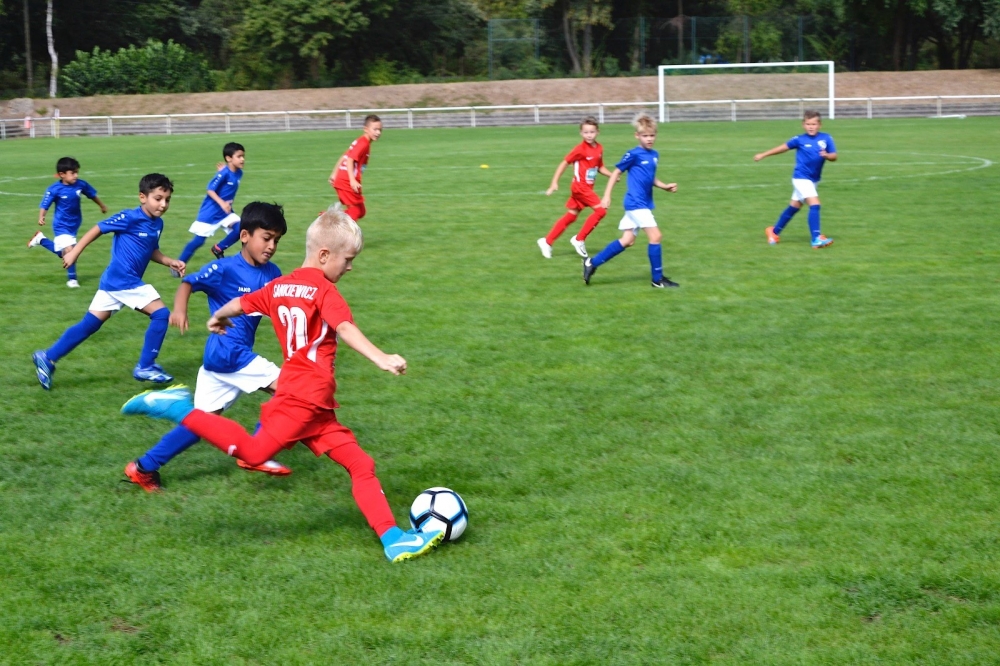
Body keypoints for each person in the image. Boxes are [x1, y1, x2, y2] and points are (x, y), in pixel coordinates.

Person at [120, 206, 445, 563]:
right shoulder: (324, 291)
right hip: (302, 397)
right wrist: (381, 357)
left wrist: (218, 316)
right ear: (325, 255)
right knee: (254, 453)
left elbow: (242, 303)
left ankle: (393, 539)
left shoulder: (279, 284)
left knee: (360, 463)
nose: (350, 267)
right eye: (348, 260)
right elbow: (344, 328)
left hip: (317, 405)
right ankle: (177, 408)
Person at [125, 202, 293, 492]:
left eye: (276, 240)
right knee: (290, 392)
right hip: (230, 353)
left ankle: (143, 467)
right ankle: (257, 451)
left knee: (201, 424)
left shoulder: (272, 272)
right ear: (244, 236)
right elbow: (188, 283)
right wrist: (180, 309)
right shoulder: (224, 268)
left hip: (219, 357)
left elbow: (283, 304)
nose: (271, 246)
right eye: (266, 238)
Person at [31, 174, 184, 389]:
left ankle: (47, 357)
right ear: (142, 197)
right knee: (161, 314)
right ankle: (146, 365)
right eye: (158, 198)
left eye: (167, 200)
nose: (163, 204)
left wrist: (169, 261)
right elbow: (97, 229)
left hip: (114, 282)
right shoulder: (129, 217)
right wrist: (74, 253)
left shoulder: (158, 223)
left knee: (89, 325)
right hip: (123, 280)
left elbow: (151, 250)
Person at [584, 114, 679, 288]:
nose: (649, 139)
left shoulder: (654, 155)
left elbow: (650, 177)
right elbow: (616, 172)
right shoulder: (633, 154)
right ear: (637, 135)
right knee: (656, 236)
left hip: (641, 203)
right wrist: (607, 195)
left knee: (627, 240)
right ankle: (657, 279)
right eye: (645, 135)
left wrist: (664, 186)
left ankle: (592, 263)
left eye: (652, 135)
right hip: (636, 203)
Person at [755, 110, 836, 249]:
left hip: (814, 180)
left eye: (814, 124)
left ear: (820, 125)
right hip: (801, 178)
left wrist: (827, 156)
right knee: (815, 204)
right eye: (808, 124)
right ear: (803, 124)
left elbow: (834, 156)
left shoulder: (826, 138)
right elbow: (783, 148)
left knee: (794, 207)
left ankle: (774, 232)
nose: (811, 127)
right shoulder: (799, 139)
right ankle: (816, 238)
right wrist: (764, 154)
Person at [537, 116, 613, 259]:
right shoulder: (580, 149)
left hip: (587, 188)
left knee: (571, 215)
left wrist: (612, 175)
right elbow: (564, 163)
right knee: (601, 210)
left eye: (592, 132)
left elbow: (599, 167)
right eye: (586, 132)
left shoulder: (599, 148)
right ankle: (579, 239)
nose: (589, 135)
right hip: (580, 187)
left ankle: (547, 242)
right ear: (581, 133)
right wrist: (554, 182)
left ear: (598, 132)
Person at [28, 156, 108, 288]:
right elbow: (45, 204)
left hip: (74, 224)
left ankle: (41, 240)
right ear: (62, 174)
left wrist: (102, 205)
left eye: (77, 172)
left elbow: (92, 195)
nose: (76, 175)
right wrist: (41, 216)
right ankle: (72, 280)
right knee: (71, 250)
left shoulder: (80, 184)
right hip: (61, 225)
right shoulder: (54, 189)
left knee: (66, 252)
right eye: (73, 173)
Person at [175, 142, 245, 270]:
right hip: (211, 213)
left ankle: (218, 248)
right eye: (239, 156)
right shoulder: (223, 174)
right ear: (229, 158)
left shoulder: (239, 173)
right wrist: (222, 203)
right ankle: (178, 264)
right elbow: (210, 190)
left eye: (243, 156)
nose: (242, 159)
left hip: (226, 213)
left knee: (241, 228)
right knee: (198, 241)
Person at [328, 115, 382, 222]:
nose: (378, 132)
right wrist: (352, 180)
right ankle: (330, 223)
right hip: (346, 181)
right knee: (355, 211)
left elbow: (345, 156)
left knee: (361, 211)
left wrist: (334, 173)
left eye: (380, 130)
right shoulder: (363, 144)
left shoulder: (362, 142)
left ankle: (331, 219)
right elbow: (350, 159)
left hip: (345, 179)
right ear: (366, 129)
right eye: (375, 129)